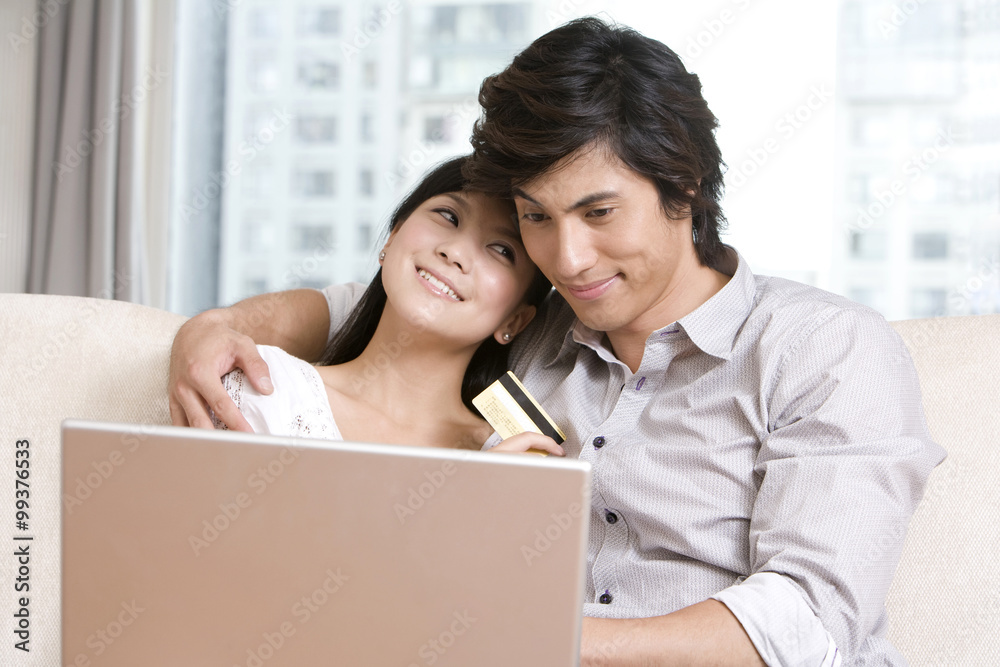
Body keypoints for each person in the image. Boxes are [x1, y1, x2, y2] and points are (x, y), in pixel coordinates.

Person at [170, 18, 945, 666]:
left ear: (684, 188)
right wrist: (216, 329)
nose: (566, 258)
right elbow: (359, 307)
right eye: (535, 216)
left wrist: (540, 639)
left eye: (599, 213)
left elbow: (808, 620)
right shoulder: (529, 324)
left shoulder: (825, 350)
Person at [204, 155, 562, 455]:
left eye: (502, 250)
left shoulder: (514, 458)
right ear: (392, 237)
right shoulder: (263, 387)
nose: (455, 253)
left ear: (515, 320)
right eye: (449, 217)